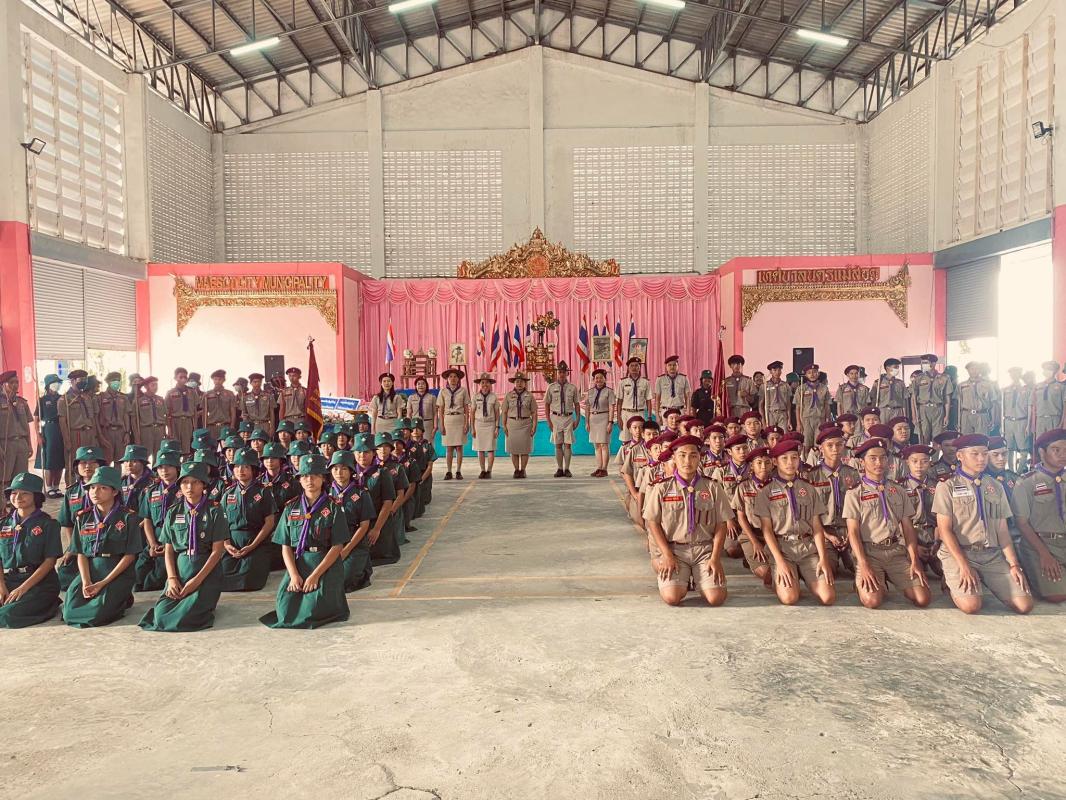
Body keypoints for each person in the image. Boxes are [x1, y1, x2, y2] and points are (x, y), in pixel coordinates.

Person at [932, 434, 1033, 615]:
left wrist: (1014, 564)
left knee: (1024, 605)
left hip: (990, 555)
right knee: (972, 606)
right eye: (975, 454)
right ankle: (950, 581)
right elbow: (944, 531)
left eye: (985, 454)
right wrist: (964, 566)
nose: (981, 459)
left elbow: (1002, 530)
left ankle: (982, 578)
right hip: (959, 553)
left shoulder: (995, 486)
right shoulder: (947, 486)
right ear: (960, 456)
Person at [260, 453, 349, 629]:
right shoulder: (291, 507)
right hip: (299, 562)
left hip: (324, 564)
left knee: (313, 610)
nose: (310, 480)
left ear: (323, 479)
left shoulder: (333, 507)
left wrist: (315, 576)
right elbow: (286, 545)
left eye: (315, 476)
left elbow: (337, 546)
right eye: (305, 476)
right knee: (284, 609)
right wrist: (294, 575)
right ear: (299, 480)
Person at [139, 461, 229, 632]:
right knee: (161, 616)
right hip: (181, 571)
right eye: (185, 482)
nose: (189, 487)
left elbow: (217, 551)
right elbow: (169, 549)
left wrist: (197, 581)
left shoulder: (215, 510)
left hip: (205, 572)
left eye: (195, 482)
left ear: (204, 485)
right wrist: (172, 578)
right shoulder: (173, 511)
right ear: (180, 485)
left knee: (187, 617)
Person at [643, 435, 731, 607]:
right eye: (682, 455)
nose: (687, 461)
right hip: (675, 550)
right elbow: (653, 523)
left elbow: (722, 523)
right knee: (672, 597)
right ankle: (683, 579)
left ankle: (699, 579)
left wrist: (715, 558)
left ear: (700, 458)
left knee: (716, 598)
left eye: (693, 455)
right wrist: (667, 555)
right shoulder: (662, 488)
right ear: (674, 458)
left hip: (704, 550)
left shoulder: (712, 487)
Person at [843, 438, 931, 609]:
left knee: (923, 599)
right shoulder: (854, 493)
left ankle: (888, 577)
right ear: (862, 462)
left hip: (895, 552)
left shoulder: (898, 490)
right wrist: (863, 564)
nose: (879, 463)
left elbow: (908, 527)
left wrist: (914, 560)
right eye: (873, 458)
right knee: (873, 601)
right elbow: (853, 532)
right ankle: (867, 582)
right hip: (870, 553)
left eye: (883, 458)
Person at [754, 439, 836, 606]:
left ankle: (802, 575)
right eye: (784, 458)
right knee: (790, 598)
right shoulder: (766, 492)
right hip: (783, 549)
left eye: (794, 457)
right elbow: (767, 530)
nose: (790, 463)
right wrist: (780, 562)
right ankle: (779, 575)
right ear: (775, 462)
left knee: (828, 598)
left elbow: (817, 527)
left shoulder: (809, 489)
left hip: (807, 548)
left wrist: (823, 558)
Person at [62, 465, 141, 628]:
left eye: (102, 488)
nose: (95, 492)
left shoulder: (128, 517)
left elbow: (130, 555)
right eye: (92, 487)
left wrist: (104, 582)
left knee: (97, 614)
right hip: (91, 569)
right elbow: (81, 553)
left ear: (115, 491)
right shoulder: (83, 517)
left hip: (116, 571)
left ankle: (122, 597)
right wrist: (86, 581)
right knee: (69, 612)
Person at [0, 473, 63, 628]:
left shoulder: (48, 524)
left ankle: (48, 604)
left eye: (25, 493)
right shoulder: (3, 524)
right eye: (14, 493)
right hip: (10, 579)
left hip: (40, 583)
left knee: (8, 615)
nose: (18, 497)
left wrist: (23, 588)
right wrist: (1, 587)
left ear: (36, 497)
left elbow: (50, 561)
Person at [1012, 428, 1066, 603]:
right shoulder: (1027, 482)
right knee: (1057, 595)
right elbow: (1022, 523)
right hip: (1040, 545)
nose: (1062, 455)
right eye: (1056, 450)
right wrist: (1044, 554)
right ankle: (1030, 571)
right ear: (1042, 453)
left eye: (1065, 450)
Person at [218, 448, 277, 592]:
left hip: (256, 542)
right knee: (220, 575)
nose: (240, 470)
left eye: (245, 467)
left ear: (253, 469)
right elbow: (221, 522)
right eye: (237, 466)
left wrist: (252, 545)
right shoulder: (228, 493)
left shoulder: (263, 491)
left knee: (249, 579)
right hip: (233, 543)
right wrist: (227, 544)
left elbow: (269, 523)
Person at [806, 427, 861, 575]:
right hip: (824, 532)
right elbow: (809, 514)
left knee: (863, 568)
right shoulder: (812, 476)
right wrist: (827, 536)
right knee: (827, 571)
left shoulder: (852, 474)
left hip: (849, 531)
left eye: (839, 444)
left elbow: (859, 508)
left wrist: (851, 533)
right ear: (821, 449)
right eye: (830, 445)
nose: (835, 449)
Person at [56, 445, 106, 591]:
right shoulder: (71, 492)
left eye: (93, 462)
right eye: (83, 463)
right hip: (81, 543)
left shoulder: (110, 488)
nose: (87, 466)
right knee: (64, 576)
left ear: (101, 466)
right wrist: (73, 548)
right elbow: (67, 523)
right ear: (76, 467)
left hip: (104, 541)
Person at [328, 450, 375, 592]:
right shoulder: (326, 493)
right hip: (332, 542)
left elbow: (364, 525)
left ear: (351, 471)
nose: (339, 473)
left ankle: (363, 569)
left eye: (343, 469)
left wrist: (346, 550)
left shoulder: (361, 493)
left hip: (354, 542)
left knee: (343, 581)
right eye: (335, 469)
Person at [135, 451, 180, 593]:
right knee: (138, 572)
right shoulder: (151, 491)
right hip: (155, 539)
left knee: (155, 579)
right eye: (160, 467)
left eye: (168, 466)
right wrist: (152, 543)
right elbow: (147, 520)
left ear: (177, 468)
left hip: (174, 541)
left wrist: (167, 546)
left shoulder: (184, 490)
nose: (164, 470)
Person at [731, 446, 775, 587]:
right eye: (759, 463)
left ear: (773, 464)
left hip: (774, 534)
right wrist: (755, 542)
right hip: (751, 534)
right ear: (751, 466)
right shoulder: (744, 487)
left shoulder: (778, 486)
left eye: (767, 462)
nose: (763, 467)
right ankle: (750, 557)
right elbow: (741, 517)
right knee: (766, 573)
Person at [57, 370, 100, 480]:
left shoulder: (87, 397)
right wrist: (67, 440)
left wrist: (94, 435)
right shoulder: (64, 399)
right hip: (76, 434)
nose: (84, 382)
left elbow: (92, 418)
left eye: (85, 379)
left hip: (89, 433)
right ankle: (72, 487)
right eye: (81, 379)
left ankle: (87, 485)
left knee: (90, 462)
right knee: (73, 463)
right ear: (72, 380)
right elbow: (62, 421)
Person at [544, 361, 581, 478]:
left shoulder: (572, 388)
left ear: (567, 373)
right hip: (555, 418)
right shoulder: (551, 387)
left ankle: (567, 468)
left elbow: (577, 404)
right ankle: (560, 468)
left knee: (568, 444)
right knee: (558, 444)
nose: (562, 374)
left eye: (564, 372)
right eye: (560, 372)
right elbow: (546, 404)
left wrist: (578, 419)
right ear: (557, 373)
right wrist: (548, 421)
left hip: (568, 418)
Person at [0, 370, 33, 496]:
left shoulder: (21, 402)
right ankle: (3, 503)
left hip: (21, 442)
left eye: (16, 382)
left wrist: (29, 444)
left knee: (20, 478)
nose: (15, 385)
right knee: (4, 477)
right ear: (3, 384)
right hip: (6, 444)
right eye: (11, 382)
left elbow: (26, 426)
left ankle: (17, 503)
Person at [33, 374, 65, 498]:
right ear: (48, 385)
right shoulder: (42, 400)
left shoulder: (62, 398)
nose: (57, 384)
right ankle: (49, 487)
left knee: (60, 459)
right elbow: (36, 419)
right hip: (49, 430)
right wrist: (38, 435)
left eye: (58, 382)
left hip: (61, 428)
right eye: (54, 382)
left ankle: (56, 486)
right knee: (50, 460)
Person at [502, 370, 537, 479]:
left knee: (525, 449)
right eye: (517, 381)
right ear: (514, 383)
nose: (519, 383)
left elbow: (534, 412)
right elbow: (504, 412)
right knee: (514, 450)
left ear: (525, 383)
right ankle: (516, 470)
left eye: (521, 381)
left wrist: (534, 426)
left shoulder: (530, 396)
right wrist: (504, 425)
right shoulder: (508, 396)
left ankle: (523, 470)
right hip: (512, 424)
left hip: (526, 425)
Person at [910, 355, 951, 444]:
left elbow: (947, 398)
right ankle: (925, 453)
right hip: (923, 409)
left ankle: (936, 453)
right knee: (923, 436)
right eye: (922, 363)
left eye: (926, 363)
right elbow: (913, 398)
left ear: (933, 363)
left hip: (938, 409)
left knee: (938, 437)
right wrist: (914, 416)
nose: (923, 365)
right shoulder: (918, 378)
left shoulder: (944, 378)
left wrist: (946, 416)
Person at [438, 368, 470, 480]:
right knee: (449, 448)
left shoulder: (463, 391)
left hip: (459, 419)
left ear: (458, 379)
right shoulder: (443, 391)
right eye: (450, 377)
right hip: (448, 419)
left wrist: (467, 423)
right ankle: (449, 471)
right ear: (447, 379)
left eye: (455, 377)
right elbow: (441, 410)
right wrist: (441, 424)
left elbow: (466, 409)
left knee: (459, 447)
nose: (453, 379)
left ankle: (458, 471)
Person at [96, 371, 132, 465]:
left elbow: (126, 416)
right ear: (108, 382)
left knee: (119, 461)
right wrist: (100, 435)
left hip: (121, 432)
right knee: (106, 461)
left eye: (118, 380)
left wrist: (127, 433)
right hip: (106, 432)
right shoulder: (100, 397)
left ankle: (117, 475)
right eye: (114, 380)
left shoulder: (123, 398)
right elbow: (96, 418)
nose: (117, 382)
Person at [586, 368, 617, 477]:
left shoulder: (609, 391)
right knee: (596, 445)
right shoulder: (590, 392)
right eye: (596, 378)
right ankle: (599, 467)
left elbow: (611, 407)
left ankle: (604, 469)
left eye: (601, 378)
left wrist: (610, 422)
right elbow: (587, 407)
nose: (598, 380)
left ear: (605, 379)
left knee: (604, 444)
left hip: (604, 418)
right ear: (594, 380)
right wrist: (587, 422)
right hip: (593, 419)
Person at [794, 364, 829, 455]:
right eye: (809, 373)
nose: (812, 374)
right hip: (806, 420)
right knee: (806, 444)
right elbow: (798, 407)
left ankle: (817, 461)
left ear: (818, 374)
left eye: (814, 372)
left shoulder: (824, 388)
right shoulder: (801, 389)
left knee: (818, 444)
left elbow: (827, 406)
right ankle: (807, 461)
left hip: (820, 419)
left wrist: (827, 420)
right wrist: (798, 424)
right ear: (806, 375)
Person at [471, 372, 501, 479]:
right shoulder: (475, 397)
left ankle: (489, 470)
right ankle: (482, 470)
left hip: (490, 424)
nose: (485, 385)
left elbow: (497, 413)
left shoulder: (493, 397)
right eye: (483, 382)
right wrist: (472, 428)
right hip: (479, 424)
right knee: (480, 449)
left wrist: (497, 427)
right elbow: (472, 413)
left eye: (487, 382)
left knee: (490, 449)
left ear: (490, 384)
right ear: (479, 384)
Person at [1002, 366, 1032, 473]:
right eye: (1012, 373)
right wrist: (1003, 425)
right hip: (1008, 421)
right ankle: (1011, 471)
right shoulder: (1005, 390)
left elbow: (1029, 408)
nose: (1014, 375)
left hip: (1021, 421)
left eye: (1016, 373)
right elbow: (1003, 408)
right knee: (1009, 448)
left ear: (1020, 374)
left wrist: (1028, 425)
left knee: (1023, 449)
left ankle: (1019, 472)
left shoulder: (1027, 390)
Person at [1030, 361, 1065, 451]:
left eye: (1050, 369)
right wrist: (1033, 424)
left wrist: (1063, 423)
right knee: (1040, 444)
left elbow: (1064, 406)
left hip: (1054, 419)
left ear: (1055, 371)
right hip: (1040, 420)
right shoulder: (1037, 387)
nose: (1047, 372)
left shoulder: (1061, 387)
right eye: (1045, 369)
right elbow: (1033, 407)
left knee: (1054, 444)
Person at [164, 367, 200, 454]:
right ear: (175, 378)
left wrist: (195, 426)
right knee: (175, 447)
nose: (183, 379)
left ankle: (185, 461)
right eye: (180, 377)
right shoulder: (170, 393)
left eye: (185, 377)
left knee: (186, 447)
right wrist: (169, 428)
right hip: (175, 421)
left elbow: (195, 410)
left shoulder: (192, 392)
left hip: (188, 421)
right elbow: (167, 412)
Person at [957, 361, 997, 436]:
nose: (974, 371)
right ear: (968, 371)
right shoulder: (961, 385)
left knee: (981, 440)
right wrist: (958, 421)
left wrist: (993, 419)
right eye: (971, 369)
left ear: (979, 370)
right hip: (966, 415)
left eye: (976, 368)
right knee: (966, 440)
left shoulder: (988, 385)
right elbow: (958, 404)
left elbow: (993, 403)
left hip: (982, 415)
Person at [133, 376, 167, 461]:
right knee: (145, 455)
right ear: (146, 387)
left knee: (158, 455)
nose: (155, 387)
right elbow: (134, 420)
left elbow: (164, 416)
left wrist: (164, 431)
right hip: (146, 430)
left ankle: (155, 469)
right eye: (153, 385)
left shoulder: (160, 400)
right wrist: (136, 436)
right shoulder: (138, 401)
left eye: (156, 385)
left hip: (159, 429)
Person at [616, 357, 650, 439]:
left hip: (640, 413)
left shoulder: (645, 382)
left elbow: (648, 400)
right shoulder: (622, 382)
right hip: (626, 413)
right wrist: (618, 417)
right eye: (632, 366)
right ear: (628, 368)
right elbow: (619, 401)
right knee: (626, 438)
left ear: (640, 367)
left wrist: (649, 416)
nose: (634, 368)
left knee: (640, 437)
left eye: (636, 365)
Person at [201, 369, 237, 440]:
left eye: (220, 379)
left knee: (225, 446)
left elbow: (233, 411)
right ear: (213, 380)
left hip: (225, 426)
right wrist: (204, 427)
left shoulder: (230, 394)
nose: (217, 381)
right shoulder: (207, 394)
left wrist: (232, 426)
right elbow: (204, 412)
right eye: (215, 379)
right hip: (211, 427)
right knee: (212, 446)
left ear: (224, 380)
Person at [873, 358, 909, 424]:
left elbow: (905, 400)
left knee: (897, 428)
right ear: (887, 368)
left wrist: (905, 414)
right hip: (883, 411)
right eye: (895, 367)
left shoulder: (900, 383)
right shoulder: (878, 382)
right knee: (883, 429)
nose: (897, 369)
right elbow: (873, 398)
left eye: (898, 367)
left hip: (897, 411)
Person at [242, 372, 276, 437]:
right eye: (255, 382)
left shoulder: (269, 396)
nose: (257, 384)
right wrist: (246, 429)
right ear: (251, 383)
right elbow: (244, 414)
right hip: (252, 426)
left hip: (265, 425)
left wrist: (272, 428)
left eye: (259, 382)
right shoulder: (245, 397)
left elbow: (272, 413)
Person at [406, 376, 438, 443]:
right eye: (418, 384)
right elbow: (409, 414)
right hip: (415, 425)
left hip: (428, 424)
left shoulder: (432, 397)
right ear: (416, 386)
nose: (421, 385)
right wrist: (408, 427)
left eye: (423, 383)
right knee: (415, 445)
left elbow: (435, 413)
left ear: (426, 386)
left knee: (428, 444)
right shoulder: (411, 397)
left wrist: (435, 427)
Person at [761, 361, 792, 430]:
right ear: (770, 372)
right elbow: (761, 404)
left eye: (779, 370)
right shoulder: (765, 385)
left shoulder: (785, 385)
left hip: (782, 413)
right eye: (775, 370)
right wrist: (763, 421)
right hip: (770, 414)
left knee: (783, 433)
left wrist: (789, 420)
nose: (777, 372)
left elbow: (788, 404)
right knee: (771, 433)